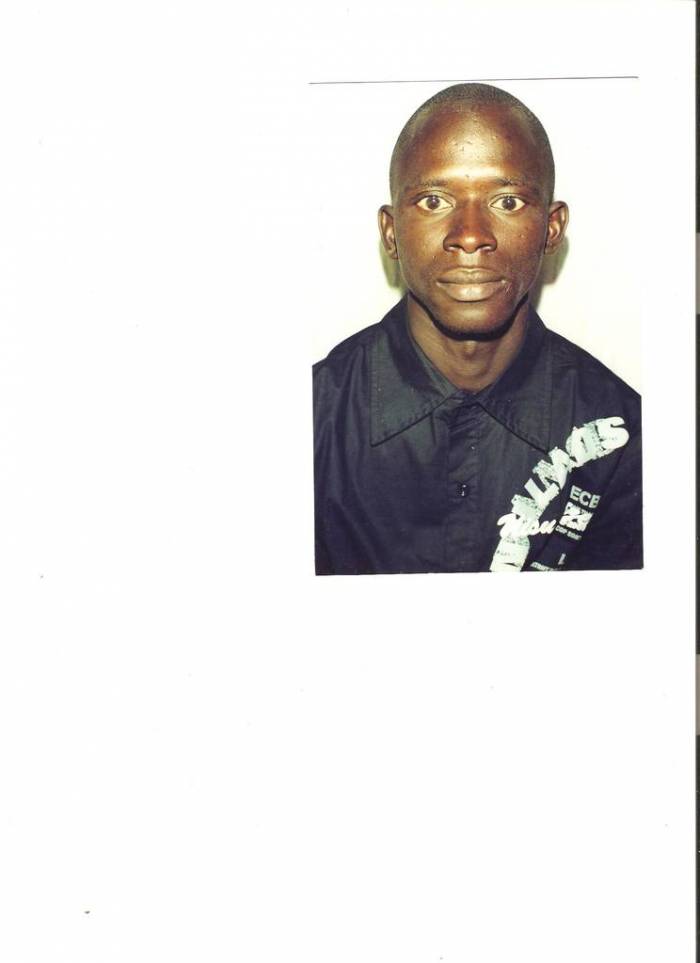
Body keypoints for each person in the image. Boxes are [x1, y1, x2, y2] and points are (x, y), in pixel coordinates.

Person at [312, 83, 642, 575]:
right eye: (433, 201)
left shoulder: (626, 438)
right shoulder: (309, 420)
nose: (470, 236)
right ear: (391, 232)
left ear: (551, 229)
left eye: (507, 201)